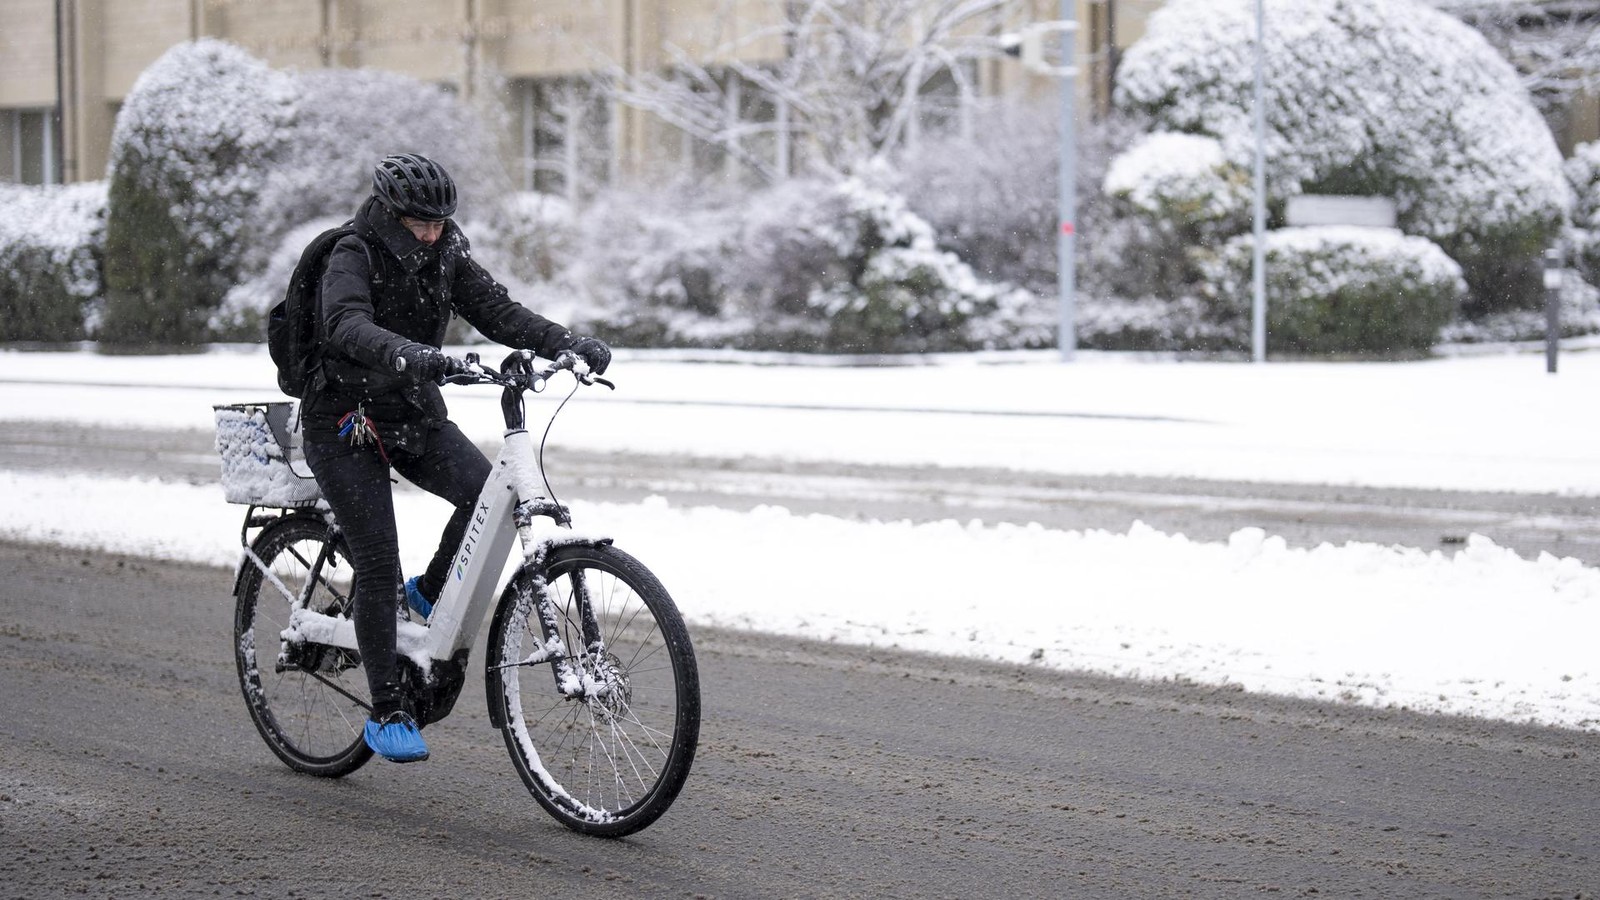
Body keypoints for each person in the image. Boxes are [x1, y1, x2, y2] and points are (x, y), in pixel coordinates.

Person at [300, 153, 611, 763]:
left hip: (412, 414)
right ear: (391, 213)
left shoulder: (446, 254)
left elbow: (498, 312)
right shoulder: (352, 254)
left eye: (442, 222)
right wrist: (411, 354)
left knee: (484, 494)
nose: (432, 232)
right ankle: (387, 709)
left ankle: (428, 593)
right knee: (376, 557)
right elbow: (344, 324)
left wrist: (565, 340)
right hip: (344, 420)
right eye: (421, 223)